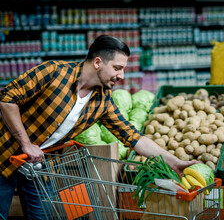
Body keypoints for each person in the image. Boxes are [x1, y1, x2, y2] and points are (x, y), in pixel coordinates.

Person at [0, 35, 198, 220]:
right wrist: (25, 143)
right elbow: (7, 99)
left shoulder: (102, 100)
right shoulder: (54, 72)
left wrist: (174, 162)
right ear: (97, 63)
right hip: (4, 155)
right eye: (117, 68)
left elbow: (133, 137)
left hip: (40, 167)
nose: (121, 75)